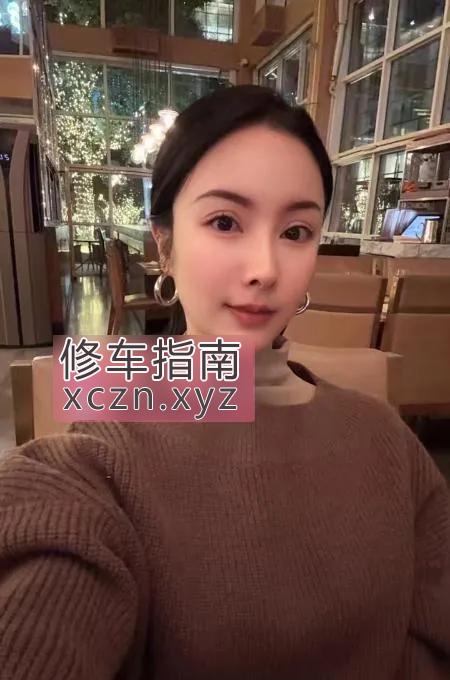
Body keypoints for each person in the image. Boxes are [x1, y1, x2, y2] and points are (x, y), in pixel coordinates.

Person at [0, 85, 449, 679]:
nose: (265, 269)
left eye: (296, 232)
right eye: (224, 221)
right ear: (164, 244)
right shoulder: (96, 464)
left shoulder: (389, 442)